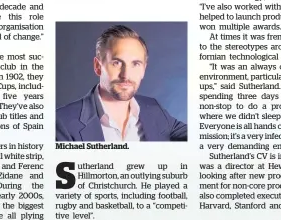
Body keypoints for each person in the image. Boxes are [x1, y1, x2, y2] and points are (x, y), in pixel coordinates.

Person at [55, 25, 187, 142]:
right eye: (117, 63)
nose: (126, 75)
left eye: (135, 64)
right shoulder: (62, 123)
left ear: (144, 69)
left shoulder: (154, 109)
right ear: (97, 66)